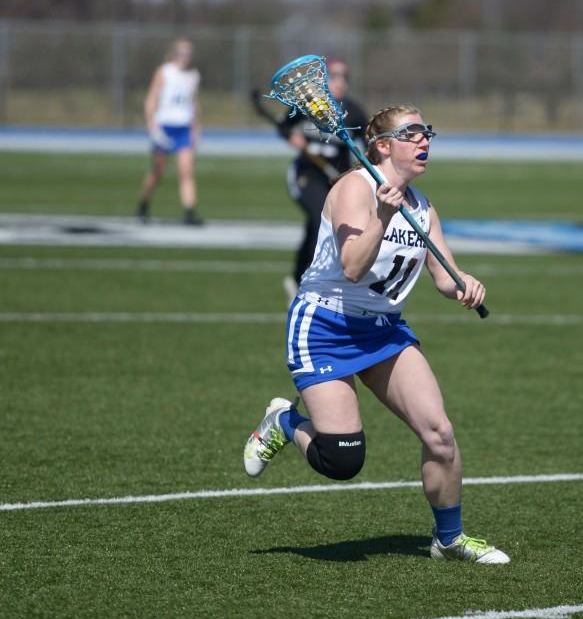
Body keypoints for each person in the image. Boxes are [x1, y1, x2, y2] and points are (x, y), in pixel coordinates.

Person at [242, 104, 509, 564]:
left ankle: (449, 539)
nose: (424, 140)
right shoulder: (354, 188)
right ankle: (285, 422)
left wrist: (464, 282)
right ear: (383, 146)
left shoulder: (423, 207)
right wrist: (384, 216)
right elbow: (351, 267)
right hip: (325, 325)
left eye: (428, 132)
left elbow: (443, 276)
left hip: (383, 331)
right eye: (413, 133)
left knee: (440, 434)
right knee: (343, 460)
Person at [273, 58, 368, 301]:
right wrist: (294, 139)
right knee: (318, 218)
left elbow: (369, 144)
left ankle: (298, 278)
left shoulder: (354, 112)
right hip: (307, 174)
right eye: (334, 76)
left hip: (337, 178)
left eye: (345, 77)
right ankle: (308, 281)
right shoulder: (307, 106)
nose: (340, 82)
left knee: (323, 228)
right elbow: (284, 126)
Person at [137, 38, 203, 226]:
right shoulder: (164, 72)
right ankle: (143, 204)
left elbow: (194, 103)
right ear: (174, 54)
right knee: (158, 171)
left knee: (186, 172)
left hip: (184, 127)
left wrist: (197, 128)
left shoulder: (193, 75)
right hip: (165, 126)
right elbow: (151, 99)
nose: (185, 58)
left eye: (188, 54)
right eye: (182, 53)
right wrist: (152, 125)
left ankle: (190, 212)